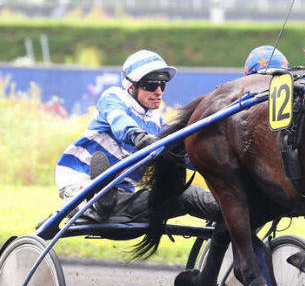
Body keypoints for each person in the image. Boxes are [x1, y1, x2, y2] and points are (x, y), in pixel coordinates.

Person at [55, 49, 220, 224]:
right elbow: (121, 123)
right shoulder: (113, 98)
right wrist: (139, 137)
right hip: (80, 182)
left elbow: (185, 156)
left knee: (188, 195)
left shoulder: (156, 123)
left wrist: (212, 163)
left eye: (162, 84)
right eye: (151, 84)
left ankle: (237, 211)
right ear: (131, 87)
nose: (158, 91)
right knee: (96, 199)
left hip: (123, 198)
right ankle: (94, 204)